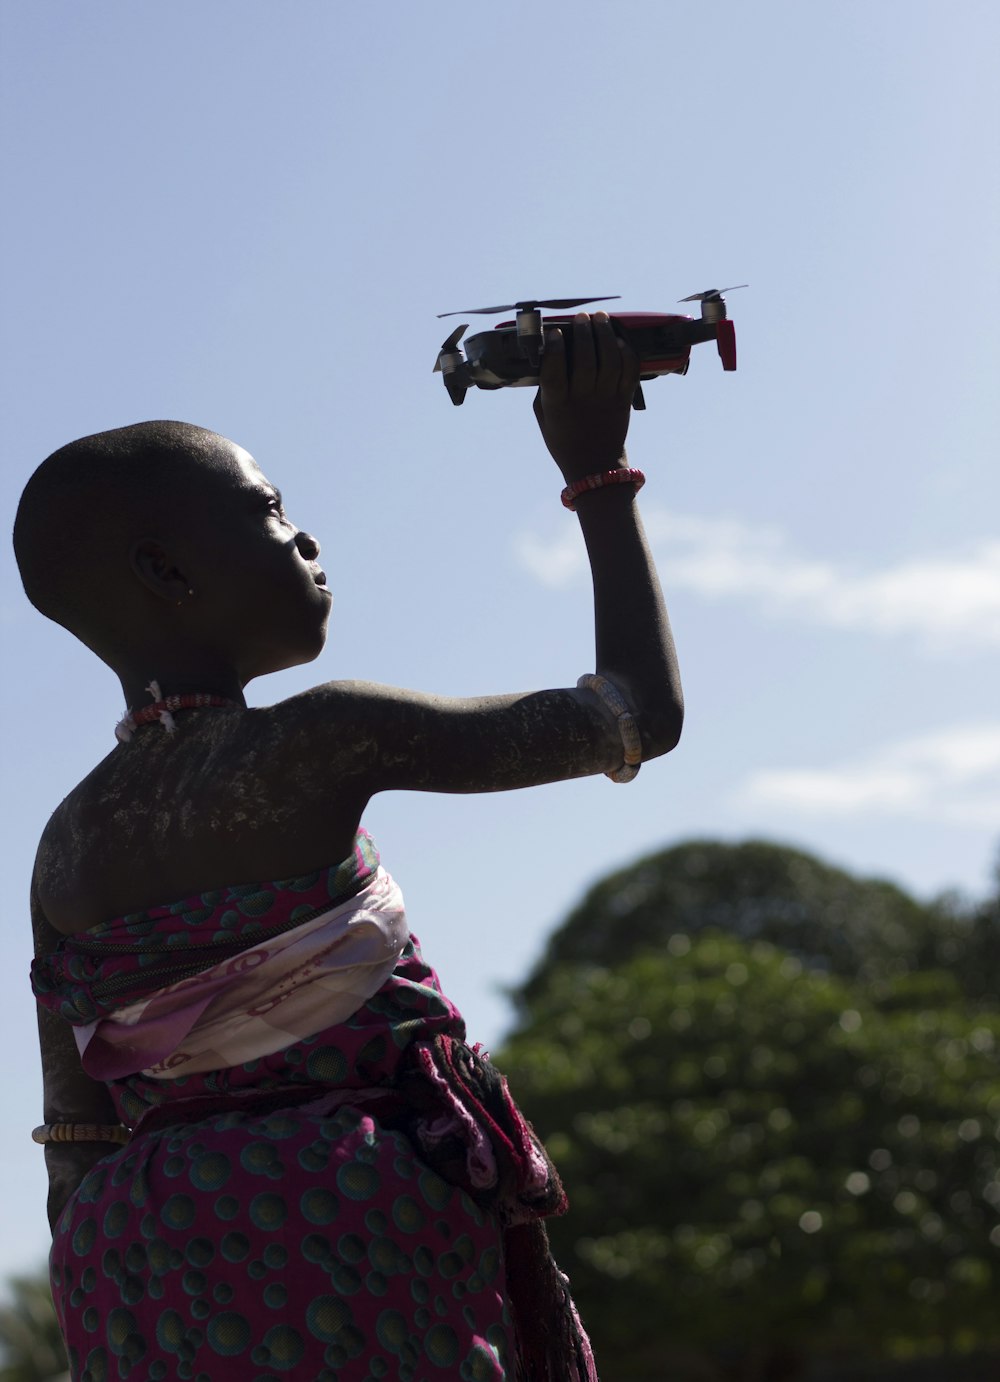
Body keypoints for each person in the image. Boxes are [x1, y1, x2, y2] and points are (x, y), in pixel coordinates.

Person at [16, 312, 683, 1382]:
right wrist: (597, 472)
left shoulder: (64, 844)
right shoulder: (321, 737)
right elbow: (634, 713)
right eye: (271, 512)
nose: (304, 539)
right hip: (343, 1217)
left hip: (138, 1262)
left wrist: (129, 1303)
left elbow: (77, 1139)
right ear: (166, 569)